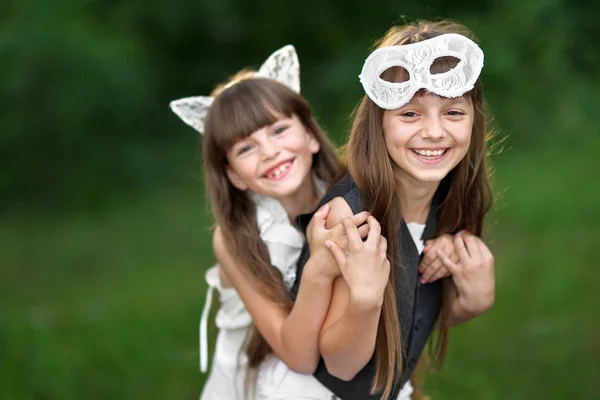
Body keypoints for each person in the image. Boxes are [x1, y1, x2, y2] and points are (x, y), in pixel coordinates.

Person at [258, 19, 496, 400]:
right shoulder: (349, 219)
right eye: (410, 114)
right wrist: (365, 300)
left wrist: (473, 300)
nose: (434, 131)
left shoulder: (446, 200)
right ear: (379, 124)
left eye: (453, 112)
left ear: (474, 119)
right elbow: (342, 366)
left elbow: (410, 322)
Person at [170, 45, 373, 400]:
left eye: (278, 130)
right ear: (234, 176)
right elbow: (298, 357)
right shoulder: (237, 237)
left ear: (310, 135)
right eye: (246, 148)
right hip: (255, 377)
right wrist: (317, 272)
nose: (269, 152)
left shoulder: (349, 194)